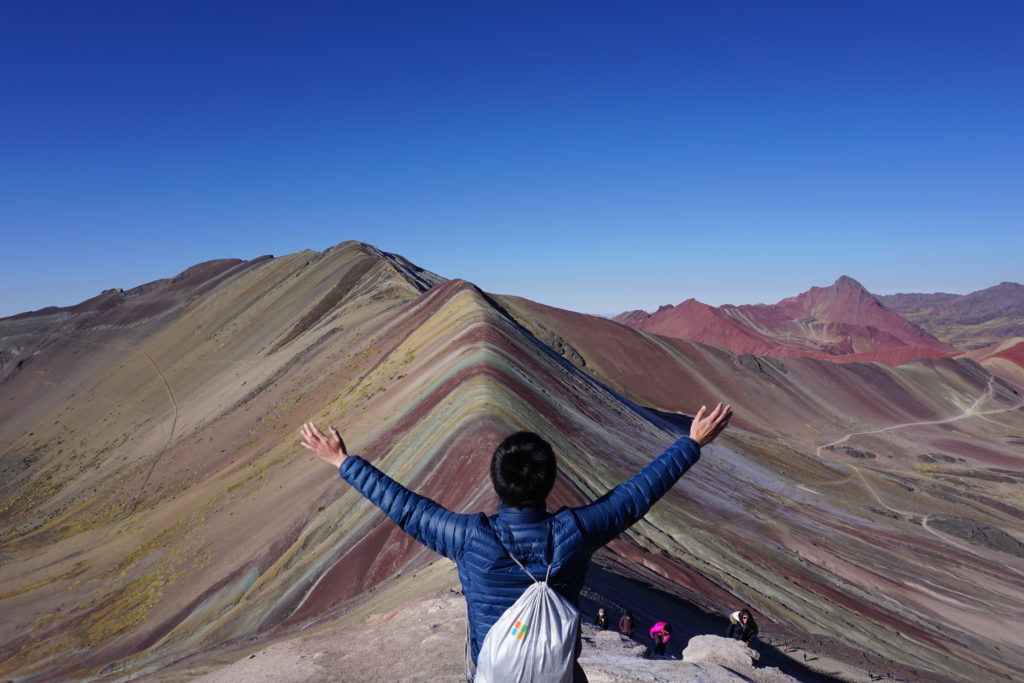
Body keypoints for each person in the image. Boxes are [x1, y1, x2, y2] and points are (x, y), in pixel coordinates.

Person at [300, 402, 731, 681]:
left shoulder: (469, 539)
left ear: (497, 483)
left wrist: (342, 460)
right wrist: (691, 443)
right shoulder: (577, 532)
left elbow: (407, 508)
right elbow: (634, 496)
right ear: (547, 483)